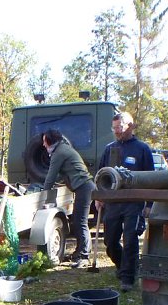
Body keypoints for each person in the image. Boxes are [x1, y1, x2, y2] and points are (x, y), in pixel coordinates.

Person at [96, 112, 154, 291]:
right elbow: (101, 175)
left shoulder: (142, 149)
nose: (116, 132)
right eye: (114, 129)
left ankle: (128, 278)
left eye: (119, 128)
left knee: (130, 240)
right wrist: (100, 197)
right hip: (113, 202)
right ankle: (123, 266)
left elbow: (151, 178)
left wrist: (149, 204)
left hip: (133, 202)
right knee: (110, 241)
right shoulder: (110, 149)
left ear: (130, 126)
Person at [41, 130, 95, 268]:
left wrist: (42, 194)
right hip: (83, 187)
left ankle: (84, 256)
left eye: (44, 141)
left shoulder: (59, 153)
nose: (42, 144)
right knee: (77, 221)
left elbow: (51, 176)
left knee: (80, 222)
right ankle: (79, 252)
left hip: (84, 187)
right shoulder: (63, 148)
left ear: (49, 141)